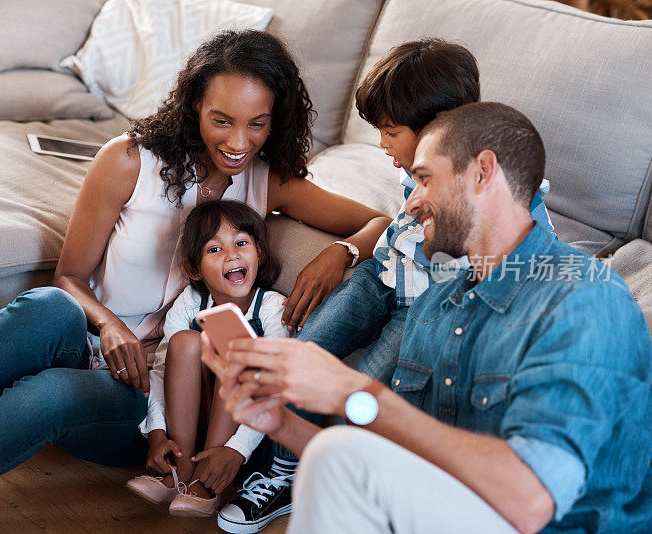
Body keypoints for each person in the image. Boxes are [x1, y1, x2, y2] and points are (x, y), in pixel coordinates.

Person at [0, 30, 389, 528]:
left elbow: (379, 222)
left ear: (277, 120)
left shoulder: (268, 181)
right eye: (222, 119)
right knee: (43, 305)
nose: (238, 141)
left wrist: (341, 252)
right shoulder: (129, 161)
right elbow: (69, 275)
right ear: (194, 106)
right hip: (92, 340)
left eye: (258, 123)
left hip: (150, 401)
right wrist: (109, 325)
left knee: (51, 396)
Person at [206, 102, 652, 533]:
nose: (412, 203)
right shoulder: (438, 303)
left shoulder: (580, 297)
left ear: (482, 173)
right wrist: (281, 423)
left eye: (423, 180)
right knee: (337, 453)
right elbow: (383, 455)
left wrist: (348, 389)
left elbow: (530, 501)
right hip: (458, 506)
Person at [214, 38, 554, 534]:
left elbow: (529, 253)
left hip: (428, 306)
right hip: (384, 274)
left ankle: (301, 473)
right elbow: (399, 226)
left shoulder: (500, 187)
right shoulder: (415, 167)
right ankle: (280, 465)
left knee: (360, 397)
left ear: (441, 129)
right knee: (305, 350)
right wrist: (353, 249)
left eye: (390, 132)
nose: (381, 145)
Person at [125, 200, 289, 517]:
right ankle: (180, 468)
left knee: (230, 339)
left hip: (247, 438)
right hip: (189, 424)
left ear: (260, 254)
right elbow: (160, 371)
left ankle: (208, 480)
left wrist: (236, 449)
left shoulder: (271, 308)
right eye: (215, 250)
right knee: (185, 340)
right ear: (194, 268)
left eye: (242, 243)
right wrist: (157, 435)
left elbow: (274, 389)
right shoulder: (190, 302)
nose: (232, 255)